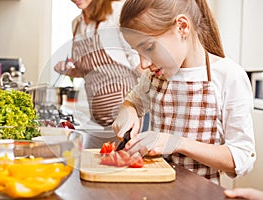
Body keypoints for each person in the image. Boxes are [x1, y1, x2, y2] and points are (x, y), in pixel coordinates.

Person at [112, 0, 256, 185]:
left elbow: (242, 157)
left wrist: (176, 143)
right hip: (155, 191)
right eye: (137, 52)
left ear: (182, 27)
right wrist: (128, 113)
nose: (143, 64)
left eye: (149, 48)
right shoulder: (154, 76)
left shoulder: (229, 76)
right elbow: (132, 102)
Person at [54, 0, 142, 127]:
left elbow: (137, 58)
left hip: (125, 112)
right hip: (96, 115)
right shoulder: (76, 24)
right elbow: (89, 71)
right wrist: (67, 70)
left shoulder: (117, 11)